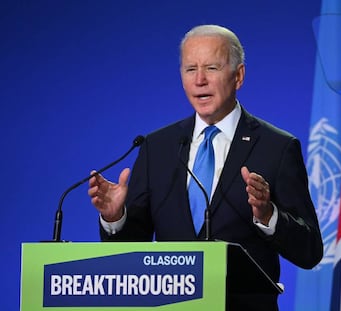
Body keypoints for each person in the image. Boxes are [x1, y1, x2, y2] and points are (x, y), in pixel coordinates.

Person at [88, 24, 323, 310]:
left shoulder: (277, 147)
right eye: (190, 69)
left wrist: (268, 215)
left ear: (238, 76)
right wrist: (116, 218)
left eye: (211, 68)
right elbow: (130, 251)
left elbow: (310, 251)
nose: (199, 80)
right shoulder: (157, 147)